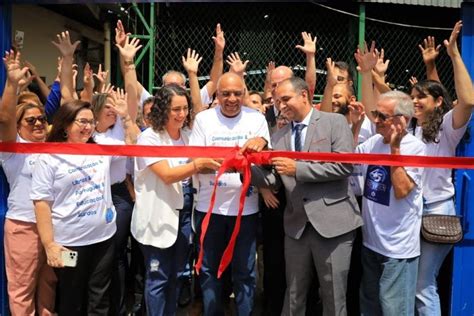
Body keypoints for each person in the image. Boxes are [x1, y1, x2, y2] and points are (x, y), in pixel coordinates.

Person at [251, 76, 362, 315]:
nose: (281, 106)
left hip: (334, 226)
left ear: (304, 95)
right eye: (278, 101)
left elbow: (345, 166)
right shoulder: (279, 137)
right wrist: (246, 168)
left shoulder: (335, 122)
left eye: (286, 99)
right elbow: (275, 181)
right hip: (297, 228)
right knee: (293, 295)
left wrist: (298, 169)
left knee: (333, 296)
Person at [131, 84, 220, 316]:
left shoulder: (189, 137)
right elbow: (168, 176)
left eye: (185, 109)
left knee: (178, 274)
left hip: (185, 214)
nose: (182, 114)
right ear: (163, 110)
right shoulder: (148, 139)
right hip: (158, 215)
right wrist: (198, 164)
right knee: (158, 277)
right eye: (175, 109)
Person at [30, 100, 124, 315]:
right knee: (71, 298)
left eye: (91, 122)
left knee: (99, 297)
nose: (88, 127)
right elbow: (41, 203)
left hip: (104, 239)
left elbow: (132, 142)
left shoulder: (100, 149)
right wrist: (49, 244)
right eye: (82, 121)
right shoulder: (49, 158)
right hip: (69, 244)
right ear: (65, 124)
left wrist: (126, 116)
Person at [189, 72, 270, 315]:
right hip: (209, 209)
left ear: (244, 94)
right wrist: (235, 159)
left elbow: (265, 162)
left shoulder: (256, 120)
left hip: (246, 210)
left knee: (245, 271)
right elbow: (197, 159)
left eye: (237, 93)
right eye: (225, 94)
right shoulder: (204, 119)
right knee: (209, 270)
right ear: (217, 95)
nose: (232, 99)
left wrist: (260, 144)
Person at [412, 21, 474, 316]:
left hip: (437, 211)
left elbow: (469, 100)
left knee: (423, 286)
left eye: (418, 98)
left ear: (438, 103)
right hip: (410, 213)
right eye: (412, 97)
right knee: (414, 282)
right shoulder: (412, 128)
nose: (413, 102)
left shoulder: (448, 127)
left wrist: (454, 56)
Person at [350, 91, 426, 315]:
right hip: (371, 242)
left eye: (382, 116)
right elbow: (350, 164)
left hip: (397, 248)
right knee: (370, 306)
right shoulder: (372, 143)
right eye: (375, 114)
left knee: (395, 309)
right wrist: (355, 126)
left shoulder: (415, 148)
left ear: (402, 120)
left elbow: (402, 190)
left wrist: (395, 149)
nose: (376, 120)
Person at [0, 50, 56, 316]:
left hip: (55, 227)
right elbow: (4, 119)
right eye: (30, 120)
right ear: (19, 125)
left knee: (48, 286)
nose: (37, 124)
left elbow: (68, 102)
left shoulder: (55, 147)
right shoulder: (13, 148)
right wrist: (12, 85)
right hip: (24, 226)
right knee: (22, 291)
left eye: (42, 119)